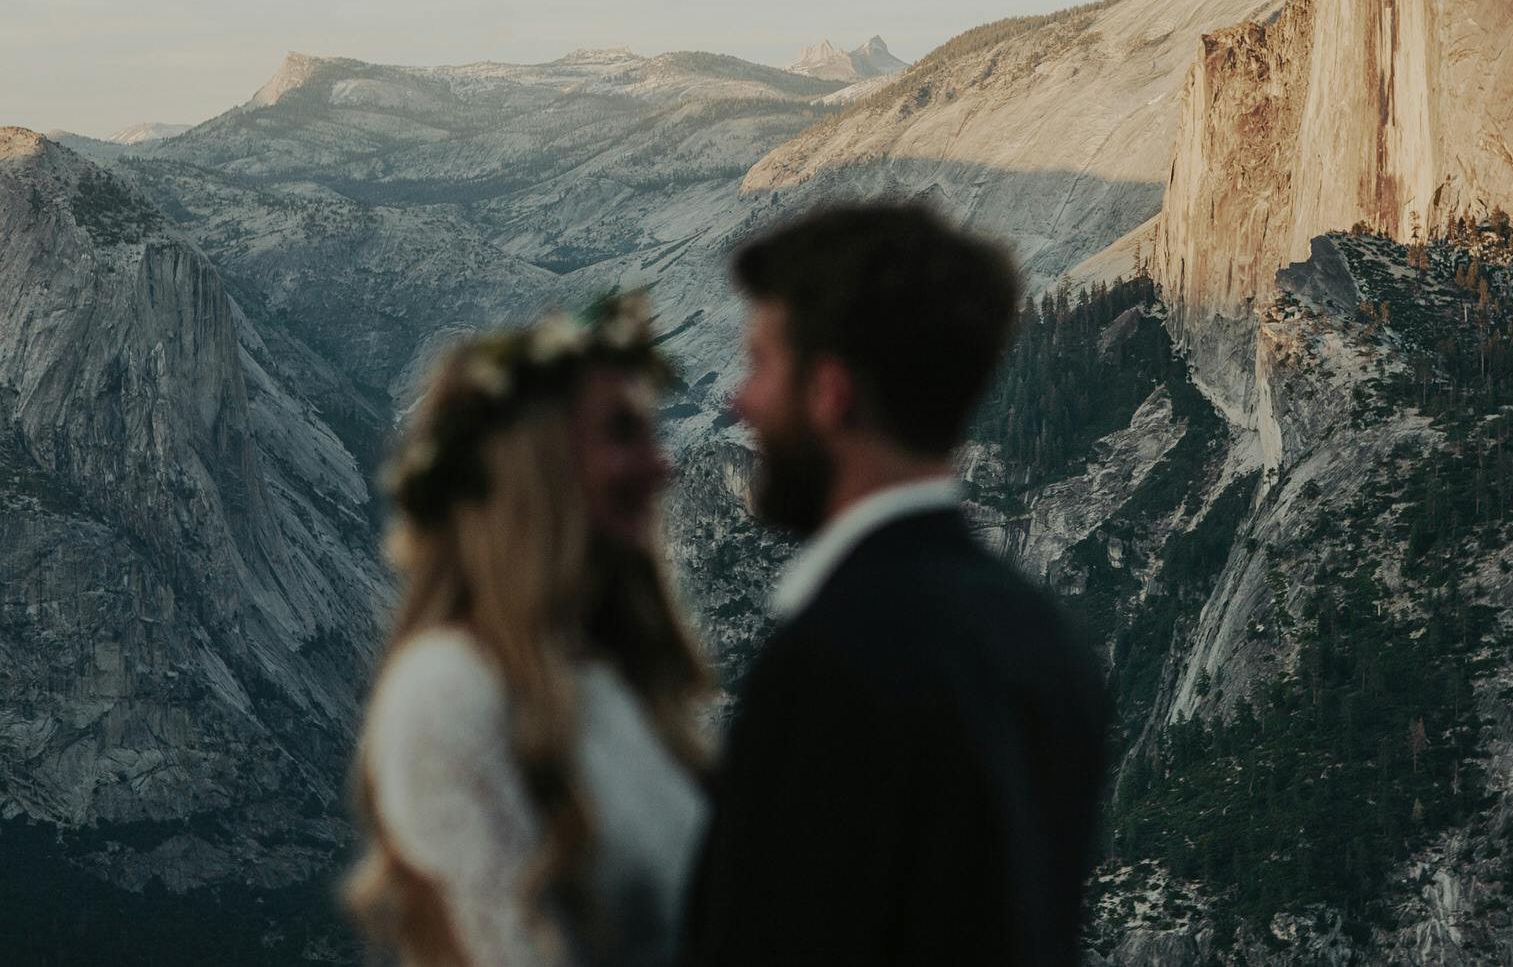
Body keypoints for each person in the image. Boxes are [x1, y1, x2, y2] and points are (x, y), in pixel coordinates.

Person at [683, 202, 1112, 966]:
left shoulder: (831, 663)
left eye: (759, 366)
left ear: (830, 393)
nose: (737, 401)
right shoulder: (1047, 641)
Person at [346, 293, 713, 967]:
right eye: (623, 431)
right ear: (535, 466)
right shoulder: (449, 688)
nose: (662, 464)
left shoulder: (594, 671)